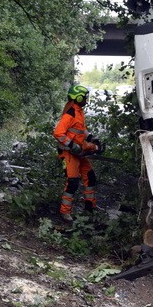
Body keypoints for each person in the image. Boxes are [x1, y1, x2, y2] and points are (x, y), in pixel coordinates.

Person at [53, 85, 99, 223]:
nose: (86, 99)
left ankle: (90, 208)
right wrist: (72, 145)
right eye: (84, 97)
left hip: (79, 151)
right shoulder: (70, 113)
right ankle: (65, 212)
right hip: (68, 152)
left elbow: (81, 129)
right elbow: (58, 133)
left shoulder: (79, 111)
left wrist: (90, 138)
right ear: (78, 98)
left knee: (90, 177)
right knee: (72, 182)